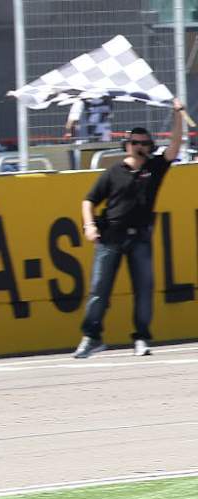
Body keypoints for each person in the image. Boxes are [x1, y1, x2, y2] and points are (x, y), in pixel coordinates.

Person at [72, 99, 184, 359]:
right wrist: (89, 225)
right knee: (99, 290)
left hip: (140, 237)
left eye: (144, 143)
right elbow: (89, 200)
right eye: (135, 142)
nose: (139, 147)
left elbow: (175, 146)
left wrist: (178, 114)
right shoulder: (114, 172)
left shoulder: (155, 168)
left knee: (144, 290)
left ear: (149, 146)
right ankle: (91, 337)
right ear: (127, 145)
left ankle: (141, 338)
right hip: (110, 237)